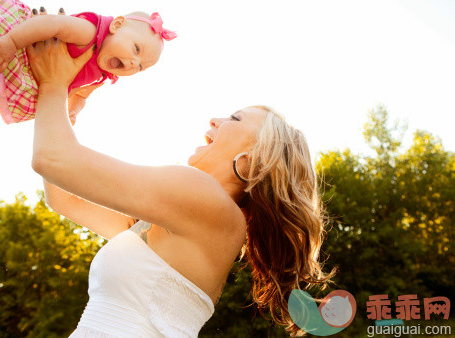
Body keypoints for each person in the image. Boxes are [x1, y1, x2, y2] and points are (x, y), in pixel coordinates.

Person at [26, 26, 336, 338]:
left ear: (254, 157)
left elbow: (52, 159)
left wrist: (53, 82)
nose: (215, 119)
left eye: (236, 119)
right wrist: (62, 103)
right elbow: (64, 198)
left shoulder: (203, 197)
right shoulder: (191, 216)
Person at [0, 0, 176, 150]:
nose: (134, 62)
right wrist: (10, 42)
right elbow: (51, 23)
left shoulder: (102, 75)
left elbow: (81, 96)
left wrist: (73, 110)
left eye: (140, 67)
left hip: (12, 73)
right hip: (9, 34)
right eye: (136, 49)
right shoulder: (89, 31)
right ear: (116, 25)